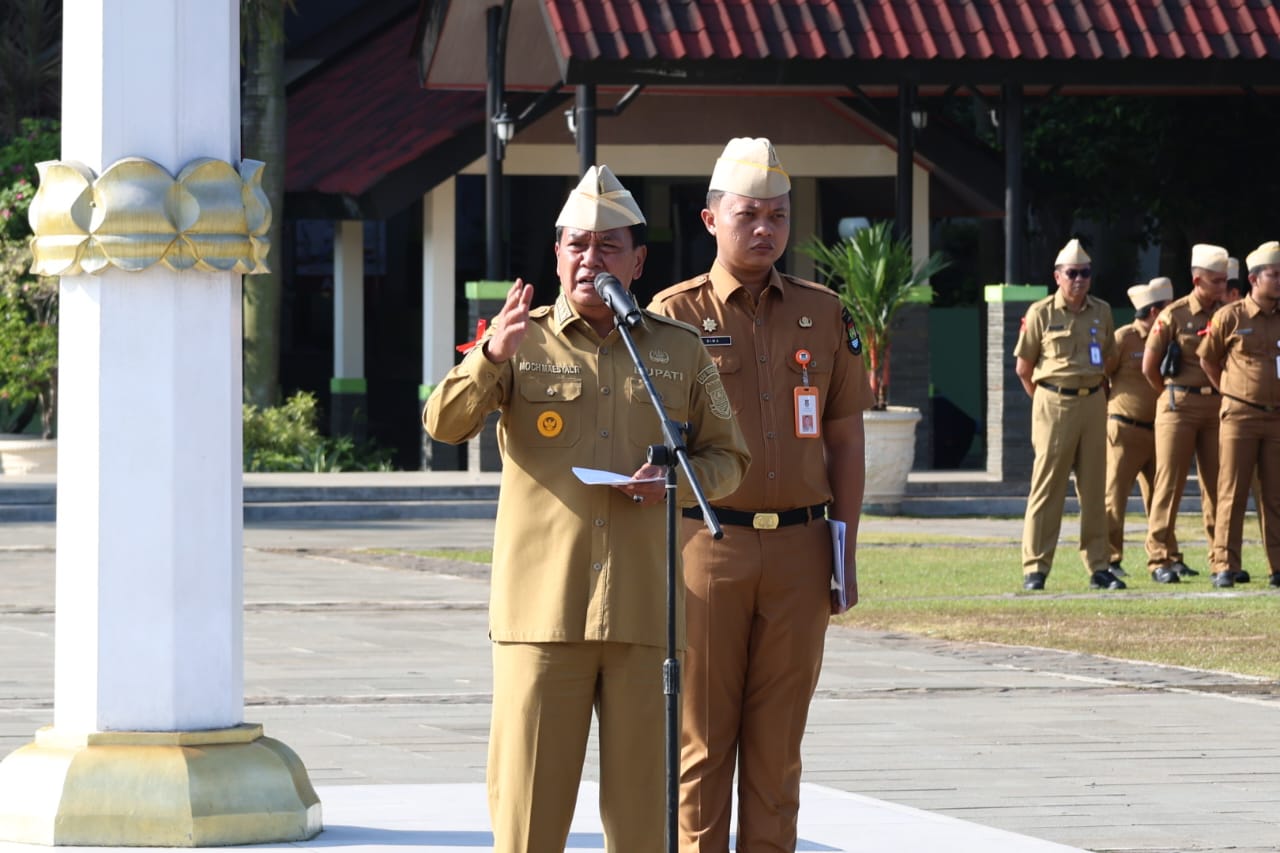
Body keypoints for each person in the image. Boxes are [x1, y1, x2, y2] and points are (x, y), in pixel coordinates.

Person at [424, 165, 751, 853]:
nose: (589, 259)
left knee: (641, 825)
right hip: (542, 616)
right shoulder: (522, 339)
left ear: (637, 262)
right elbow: (442, 424)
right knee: (528, 819)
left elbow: (731, 460)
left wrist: (675, 487)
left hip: (644, 615)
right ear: (556, 255)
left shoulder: (678, 350)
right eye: (576, 244)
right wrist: (489, 355)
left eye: (607, 247)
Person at [648, 137, 873, 853]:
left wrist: (847, 549)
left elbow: (844, 441)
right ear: (711, 218)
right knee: (703, 742)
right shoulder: (672, 314)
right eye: (749, 214)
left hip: (804, 548)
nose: (765, 229)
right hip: (707, 547)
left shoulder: (822, 311)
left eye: (778, 216)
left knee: (779, 751)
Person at [1014, 238, 1119, 591]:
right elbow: (1023, 368)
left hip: (1093, 401)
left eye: (1085, 273)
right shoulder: (1041, 312)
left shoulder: (1102, 311)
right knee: (1048, 487)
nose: (1079, 280)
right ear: (1057, 276)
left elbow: (1110, 358)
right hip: (1053, 401)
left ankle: (1099, 566)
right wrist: (1046, 400)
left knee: (1094, 488)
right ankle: (1036, 568)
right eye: (1072, 273)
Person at [1141, 244, 1229, 581]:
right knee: (1169, 483)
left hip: (1216, 406)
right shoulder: (1173, 315)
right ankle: (1160, 559)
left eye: (1224, 281)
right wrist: (1170, 396)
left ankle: (1220, 558)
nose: (1222, 287)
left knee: (1218, 485)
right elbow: (1150, 367)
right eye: (1216, 281)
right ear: (1197, 280)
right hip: (1178, 404)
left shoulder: (1228, 313)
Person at [1198, 241, 1280, 588]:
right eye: (1274, 275)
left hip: (1276, 418)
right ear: (1253, 279)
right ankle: (1224, 565)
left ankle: (1278, 566)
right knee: (1231, 491)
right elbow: (1207, 359)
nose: (1279, 281)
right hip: (1240, 416)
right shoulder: (1230, 316)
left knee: (1276, 495)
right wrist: (1232, 392)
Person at [1104, 277, 1172, 579]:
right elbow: (1102, 376)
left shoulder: (1169, 339)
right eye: (1167, 309)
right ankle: (1110, 559)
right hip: (1125, 430)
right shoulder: (1124, 338)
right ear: (1155, 311)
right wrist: (1113, 412)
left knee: (1161, 498)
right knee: (1114, 497)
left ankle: (1165, 557)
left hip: (1160, 430)